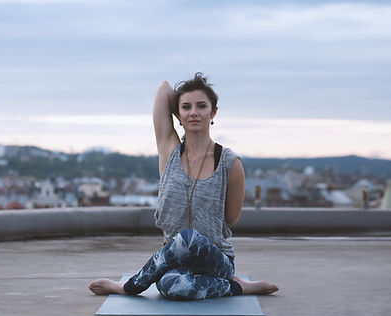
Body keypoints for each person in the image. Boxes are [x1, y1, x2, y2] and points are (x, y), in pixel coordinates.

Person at [89, 73, 279, 300]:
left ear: (213, 112)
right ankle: (239, 287)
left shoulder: (229, 162)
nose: (194, 113)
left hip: (216, 260)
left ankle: (129, 287)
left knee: (189, 238)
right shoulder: (169, 152)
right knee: (170, 286)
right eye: (186, 107)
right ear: (177, 113)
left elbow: (231, 219)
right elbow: (163, 89)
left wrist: (189, 239)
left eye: (201, 106)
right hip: (175, 260)